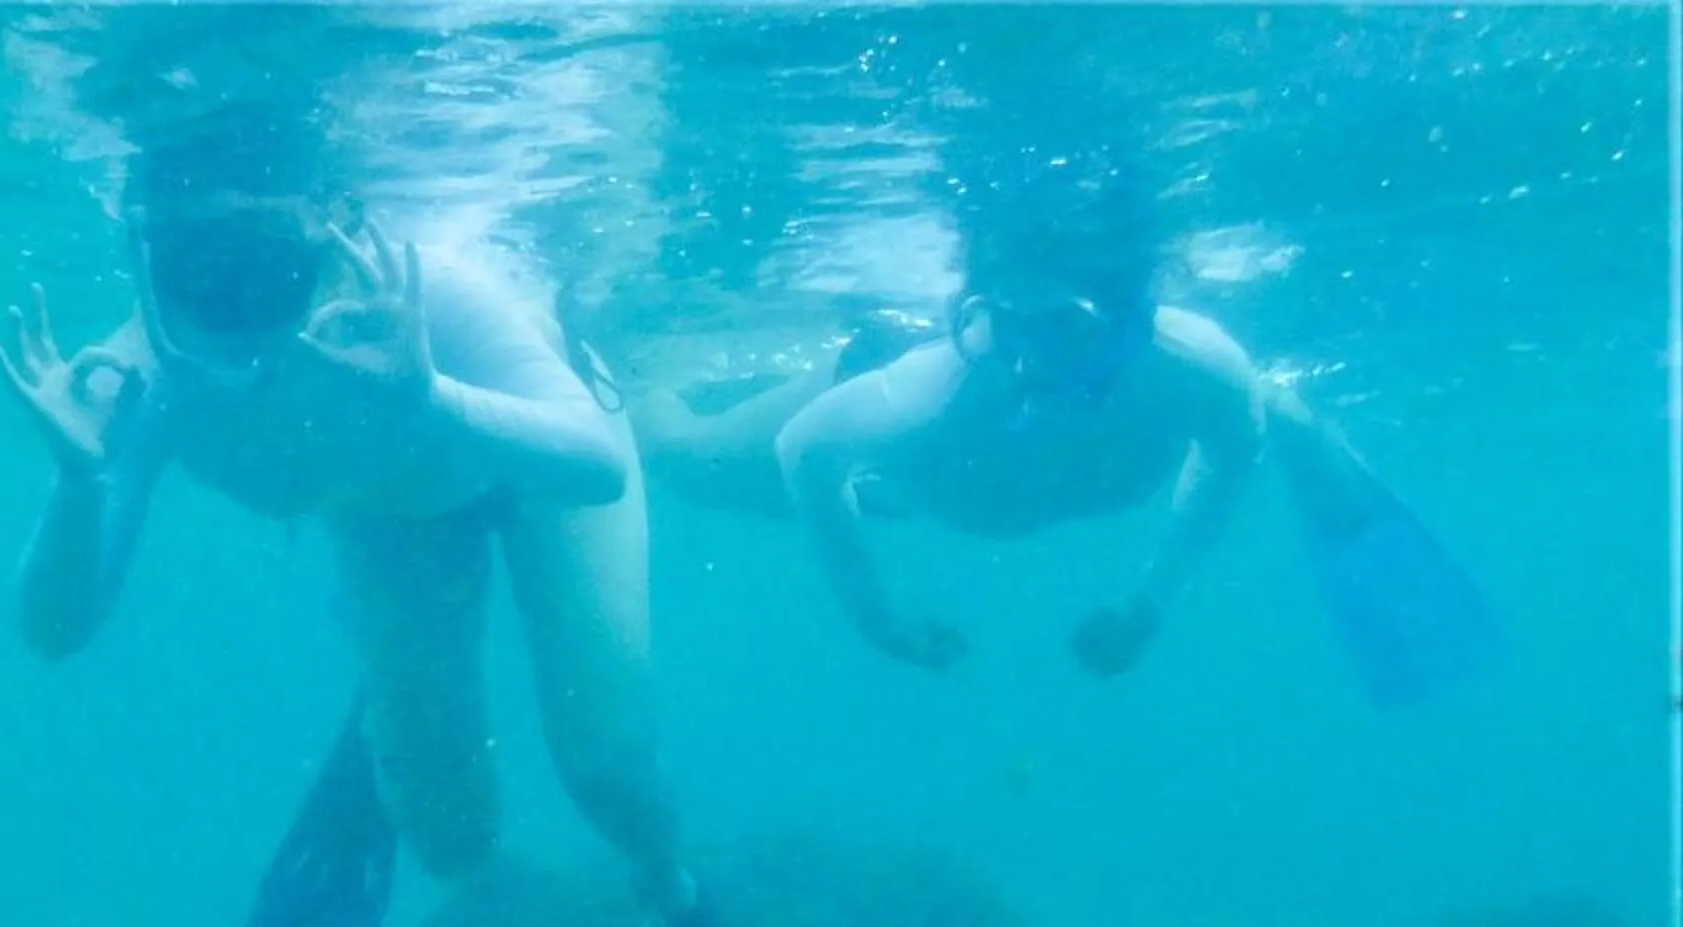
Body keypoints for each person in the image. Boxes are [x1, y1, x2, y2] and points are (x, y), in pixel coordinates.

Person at [0, 104, 810, 927]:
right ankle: (387, 714)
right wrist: (77, 485)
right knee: (452, 842)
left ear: (330, 232)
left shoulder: (433, 294)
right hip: (390, 513)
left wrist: (430, 398)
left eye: (265, 255)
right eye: (197, 265)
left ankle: (672, 898)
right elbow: (57, 631)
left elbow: (594, 464)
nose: (236, 300)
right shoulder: (140, 376)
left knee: (608, 766)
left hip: (527, 463)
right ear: (141, 253)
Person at [633, 159, 1493, 703]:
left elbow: (1231, 456)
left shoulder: (1198, 370)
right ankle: (630, 380)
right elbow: (803, 451)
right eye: (1004, 322)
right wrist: (875, 621)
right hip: (891, 456)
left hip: (969, 470)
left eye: (1062, 329)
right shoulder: (935, 385)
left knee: (1259, 407)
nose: (1027, 362)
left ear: (1129, 315)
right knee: (680, 459)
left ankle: (1295, 416)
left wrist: (1150, 603)